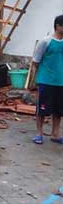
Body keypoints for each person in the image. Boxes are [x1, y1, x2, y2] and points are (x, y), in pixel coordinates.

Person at [32, 14, 63, 144]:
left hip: (61, 81)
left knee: (59, 110)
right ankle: (39, 133)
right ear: (58, 26)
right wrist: (36, 78)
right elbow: (36, 61)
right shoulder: (46, 41)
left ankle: (55, 134)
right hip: (46, 80)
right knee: (42, 109)